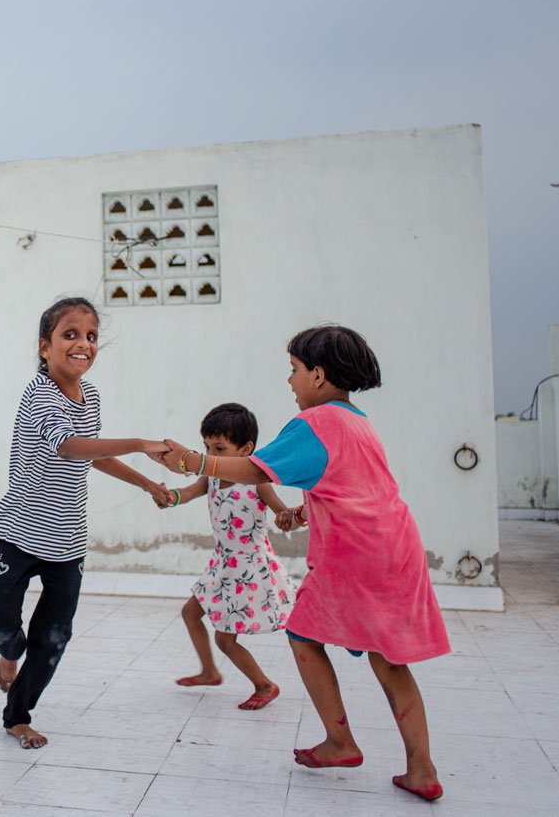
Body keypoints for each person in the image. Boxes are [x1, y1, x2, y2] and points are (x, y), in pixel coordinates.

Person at [154, 324, 449, 802]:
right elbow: (355, 490)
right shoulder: (358, 421)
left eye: (293, 370)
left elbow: (253, 470)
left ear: (317, 374)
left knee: (303, 634)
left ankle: (340, 742)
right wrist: (303, 512)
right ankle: (422, 769)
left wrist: (194, 461)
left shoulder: (316, 422)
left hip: (353, 555)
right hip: (397, 547)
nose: (288, 381)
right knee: (389, 659)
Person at [0, 297, 171, 750]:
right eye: (70, 334)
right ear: (45, 347)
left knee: (54, 637)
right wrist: (142, 442)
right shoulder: (39, 393)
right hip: (20, 533)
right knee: (3, 626)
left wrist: (147, 483)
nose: (83, 343)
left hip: (67, 540)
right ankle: (7, 652)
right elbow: (69, 446)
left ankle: (17, 717)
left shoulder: (92, 396)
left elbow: (93, 451)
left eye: (91, 336)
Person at [159, 402, 296, 710]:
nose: (210, 455)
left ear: (246, 448)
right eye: (206, 447)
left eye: (219, 447)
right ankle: (209, 672)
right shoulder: (212, 477)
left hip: (249, 569)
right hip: (223, 564)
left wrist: (288, 517)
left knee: (225, 640)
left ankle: (265, 685)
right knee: (190, 613)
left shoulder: (257, 481)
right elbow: (189, 492)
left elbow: (282, 511)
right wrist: (170, 497)